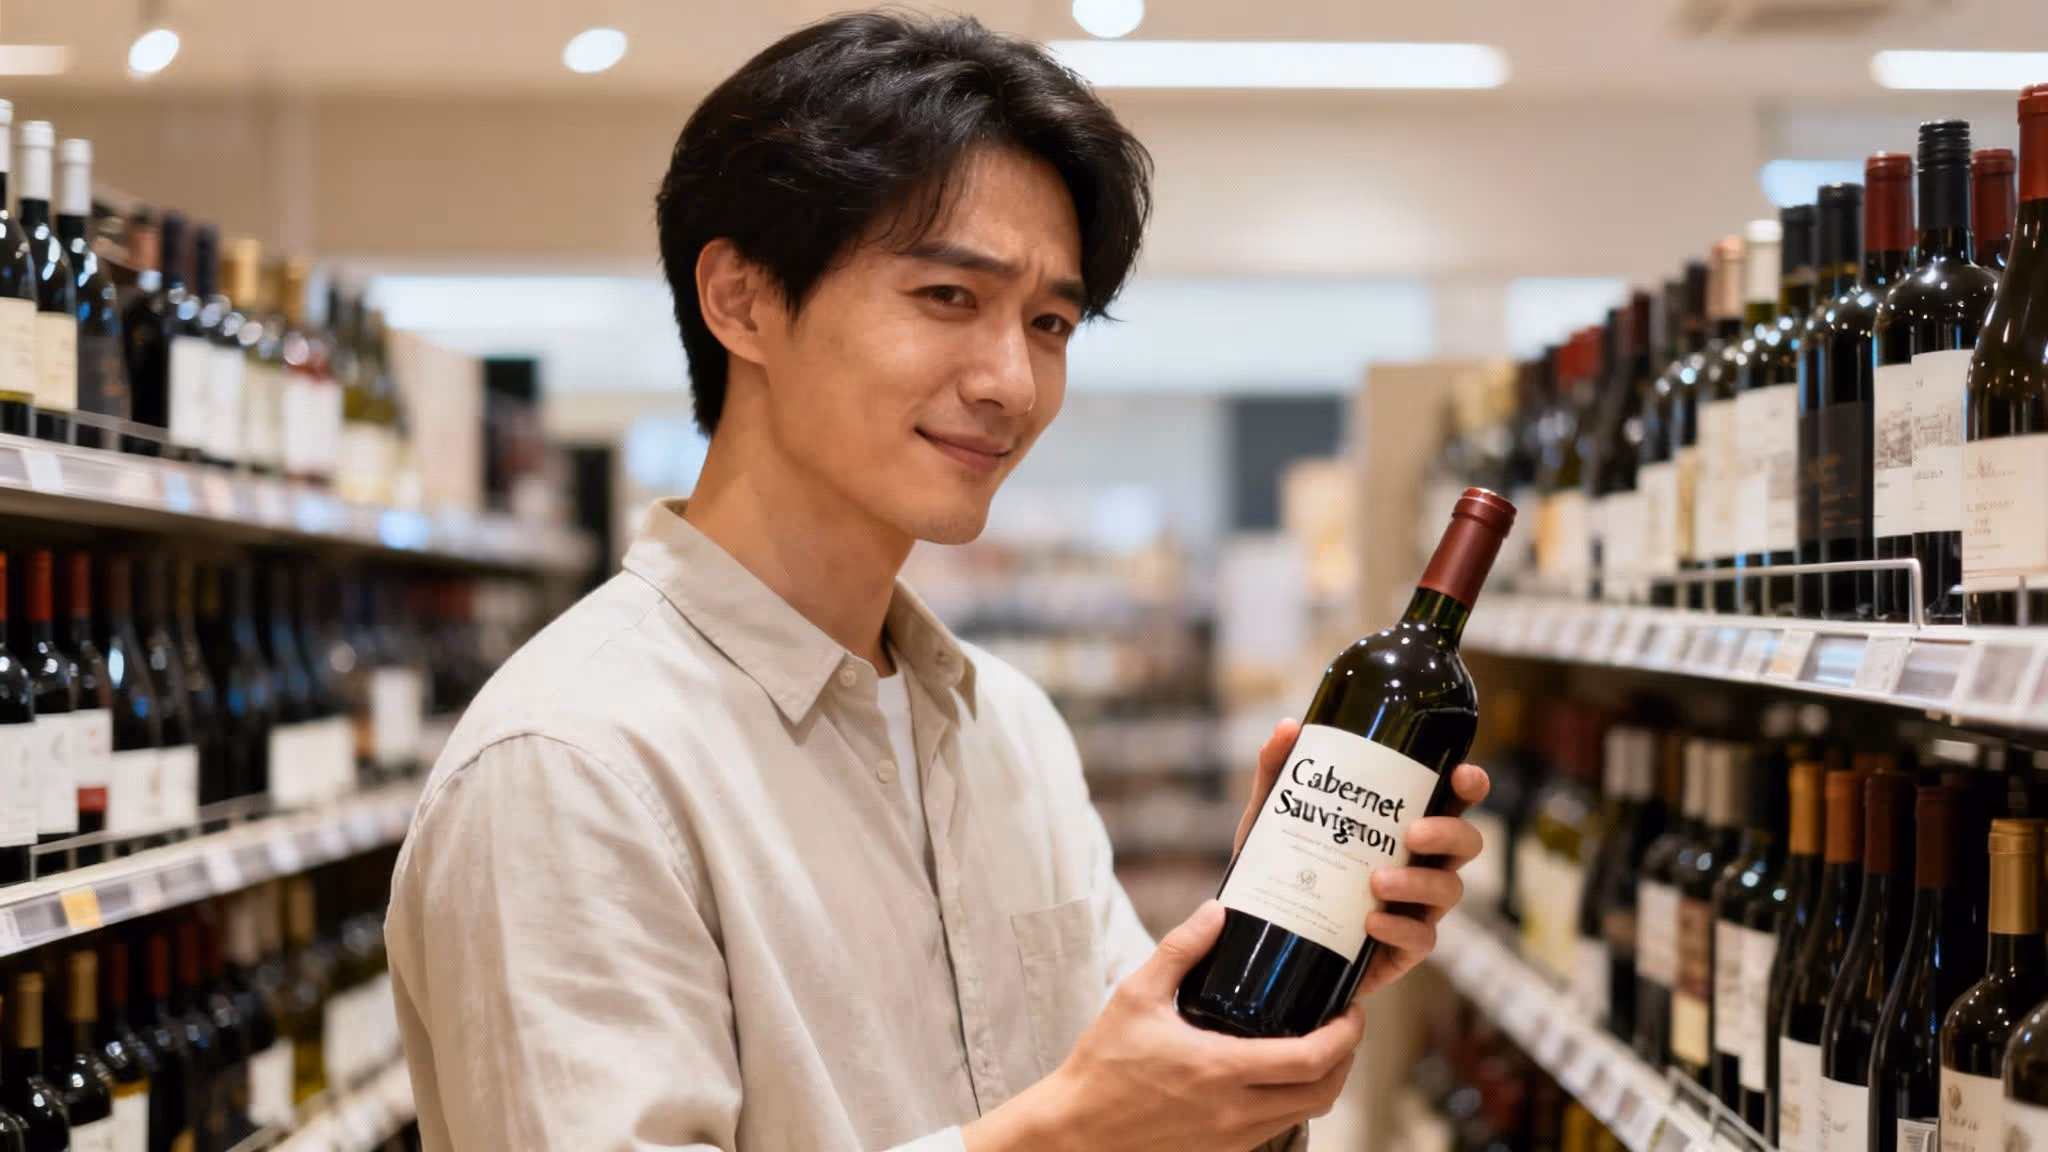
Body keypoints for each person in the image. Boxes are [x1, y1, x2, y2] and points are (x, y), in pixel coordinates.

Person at [384, 12, 1489, 1152]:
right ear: (743, 300)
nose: (1011, 382)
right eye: (948, 298)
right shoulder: (572, 765)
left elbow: (1147, 1125)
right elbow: (1084, 1129)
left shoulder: (1006, 730)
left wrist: (1283, 955)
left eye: (1050, 321)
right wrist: (1065, 1134)